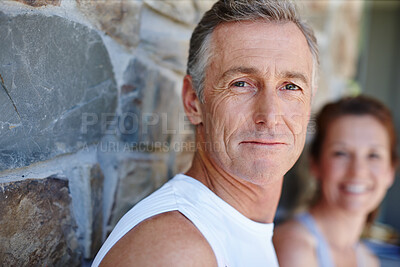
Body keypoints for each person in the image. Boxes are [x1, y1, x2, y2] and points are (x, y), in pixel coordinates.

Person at [93, 0, 318, 266]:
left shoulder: (239, 230)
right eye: (241, 83)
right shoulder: (175, 251)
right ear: (193, 102)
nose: (270, 116)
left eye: (290, 87)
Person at [273, 95, 397, 267]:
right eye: (341, 153)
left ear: (391, 170)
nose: (358, 171)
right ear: (315, 163)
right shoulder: (296, 249)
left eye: (373, 155)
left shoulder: (368, 260)